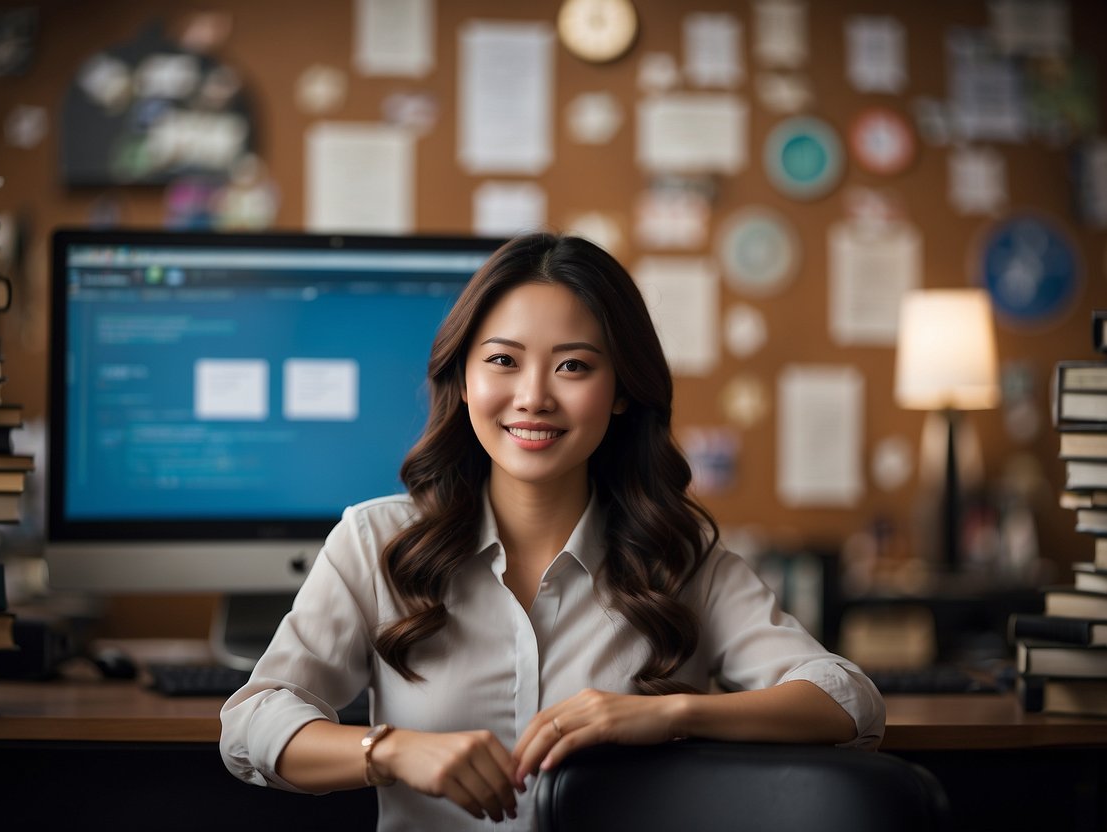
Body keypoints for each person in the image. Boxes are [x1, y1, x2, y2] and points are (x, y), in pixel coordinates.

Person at [220, 232, 885, 830]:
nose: (533, 396)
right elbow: (250, 723)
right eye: (503, 361)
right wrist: (390, 752)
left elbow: (848, 702)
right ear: (463, 374)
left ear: (621, 389)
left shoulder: (680, 557)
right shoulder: (376, 542)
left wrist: (670, 714)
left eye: (573, 366)